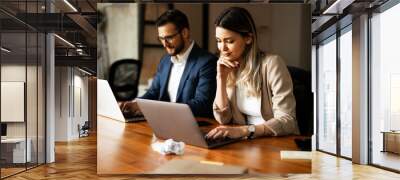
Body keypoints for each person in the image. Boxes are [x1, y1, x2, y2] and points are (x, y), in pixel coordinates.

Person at [206, 7, 299, 140]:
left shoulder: (272, 64)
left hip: (276, 141)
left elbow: (287, 120)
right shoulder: (229, 67)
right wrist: (221, 77)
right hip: (249, 142)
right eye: (219, 41)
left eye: (229, 41)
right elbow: (223, 119)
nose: (222, 48)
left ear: (248, 38)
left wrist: (246, 131)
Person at [120, 9, 217, 118]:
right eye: (161, 39)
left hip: (191, 125)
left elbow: (202, 104)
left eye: (169, 38)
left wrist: (156, 110)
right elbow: (153, 92)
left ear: (184, 33)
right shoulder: (165, 60)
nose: (165, 44)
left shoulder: (207, 62)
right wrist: (136, 104)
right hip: (162, 123)